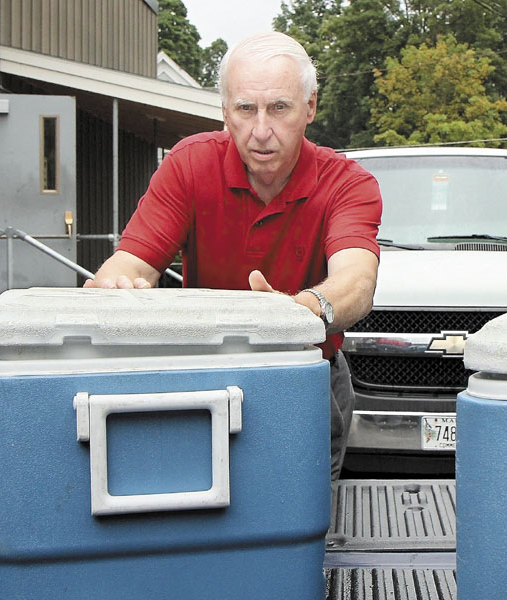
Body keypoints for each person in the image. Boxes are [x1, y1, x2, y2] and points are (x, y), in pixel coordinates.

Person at [84, 32, 382, 480]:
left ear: (311, 107)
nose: (261, 130)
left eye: (279, 108)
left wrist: (300, 312)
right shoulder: (188, 165)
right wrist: (114, 286)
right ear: (224, 111)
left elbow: (357, 281)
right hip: (202, 375)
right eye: (245, 109)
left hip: (307, 373)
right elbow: (129, 262)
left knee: (299, 525)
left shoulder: (348, 183)